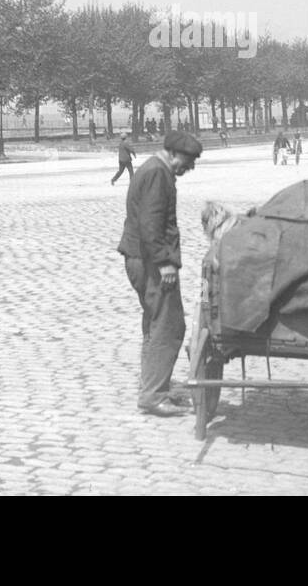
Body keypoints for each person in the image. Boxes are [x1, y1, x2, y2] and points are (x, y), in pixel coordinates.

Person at [117, 130, 202, 416]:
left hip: (142, 259)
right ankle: (153, 395)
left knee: (156, 324)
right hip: (150, 262)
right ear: (173, 154)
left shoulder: (155, 170)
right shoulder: (157, 174)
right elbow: (151, 224)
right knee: (168, 325)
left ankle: (155, 386)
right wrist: (165, 262)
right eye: (187, 162)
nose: (189, 169)